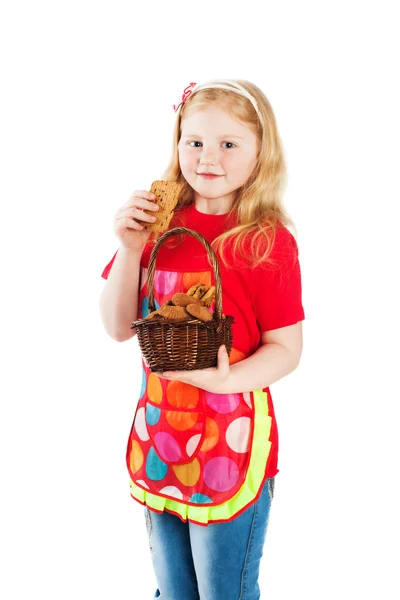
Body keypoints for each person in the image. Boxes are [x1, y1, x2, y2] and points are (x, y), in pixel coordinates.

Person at [100, 79, 305, 600]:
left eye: (228, 144)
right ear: (177, 145)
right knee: (173, 592)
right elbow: (118, 327)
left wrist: (227, 378)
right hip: (162, 436)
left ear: (262, 153)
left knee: (224, 593)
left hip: (229, 442)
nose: (207, 158)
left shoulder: (265, 240)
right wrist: (129, 251)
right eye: (194, 142)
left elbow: (286, 348)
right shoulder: (159, 227)